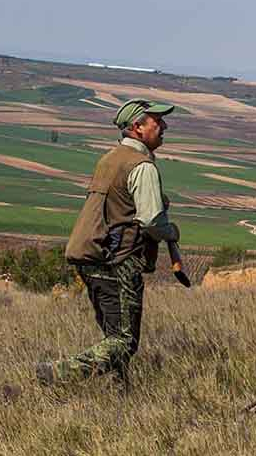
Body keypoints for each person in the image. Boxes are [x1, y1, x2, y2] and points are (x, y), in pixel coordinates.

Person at [35, 98, 181, 388]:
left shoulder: (108, 159)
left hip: (91, 256)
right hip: (120, 261)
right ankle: (59, 373)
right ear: (138, 127)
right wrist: (171, 231)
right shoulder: (142, 166)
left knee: (113, 335)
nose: (164, 126)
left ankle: (121, 393)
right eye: (157, 121)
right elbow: (151, 222)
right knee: (124, 341)